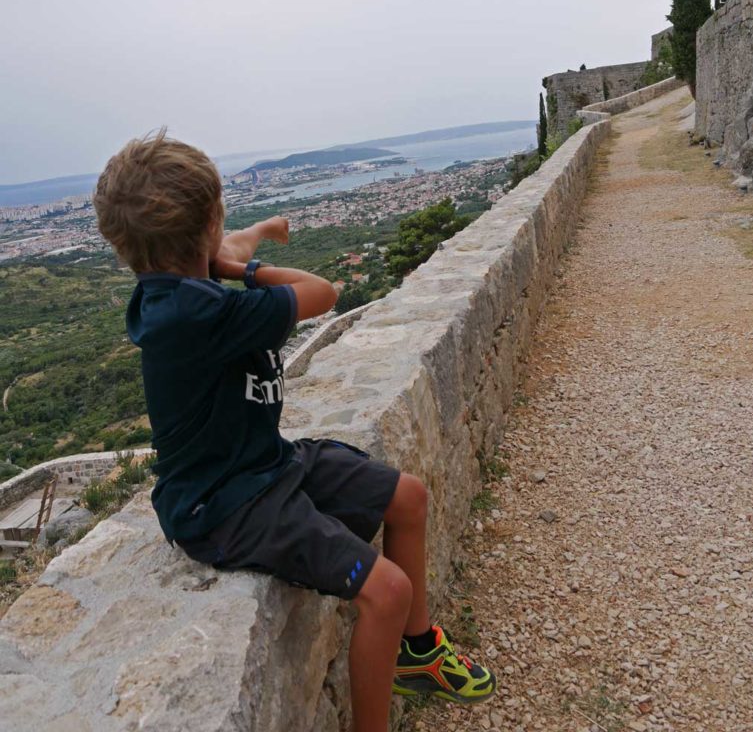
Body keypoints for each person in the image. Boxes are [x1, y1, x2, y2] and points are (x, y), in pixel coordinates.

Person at [94, 130, 496, 731]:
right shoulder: (201, 313)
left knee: (408, 496)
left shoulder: (174, 293)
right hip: (224, 503)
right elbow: (322, 292)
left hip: (264, 463)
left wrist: (243, 239)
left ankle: (418, 654)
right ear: (209, 229)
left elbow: (217, 246)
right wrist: (245, 266)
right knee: (386, 592)